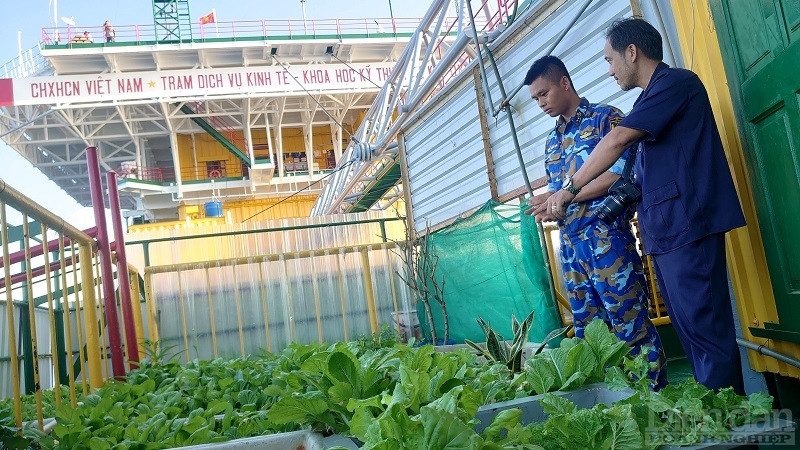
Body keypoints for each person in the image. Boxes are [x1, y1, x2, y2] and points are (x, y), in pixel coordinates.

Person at [541, 18, 747, 395]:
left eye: (609, 60)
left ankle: (733, 424)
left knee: (706, 332)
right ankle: (717, 416)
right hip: (665, 232)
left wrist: (570, 188)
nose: (609, 69)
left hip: (688, 227)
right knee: (691, 335)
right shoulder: (649, 100)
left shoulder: (675, 84)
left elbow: (618, 140)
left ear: (631, 52)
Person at [523, 55, 666, 389]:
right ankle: (610, 405)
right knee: (589, 333)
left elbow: (621, 174)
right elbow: (562, 192)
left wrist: (567, 195)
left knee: (630, 325)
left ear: (564, 82)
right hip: (571, 248)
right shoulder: (551, 141)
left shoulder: (606, 118)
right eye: (535, 99)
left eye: (544, 93)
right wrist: (549, 202)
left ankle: (653, 403)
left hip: (607, 240)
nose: (541, 103)